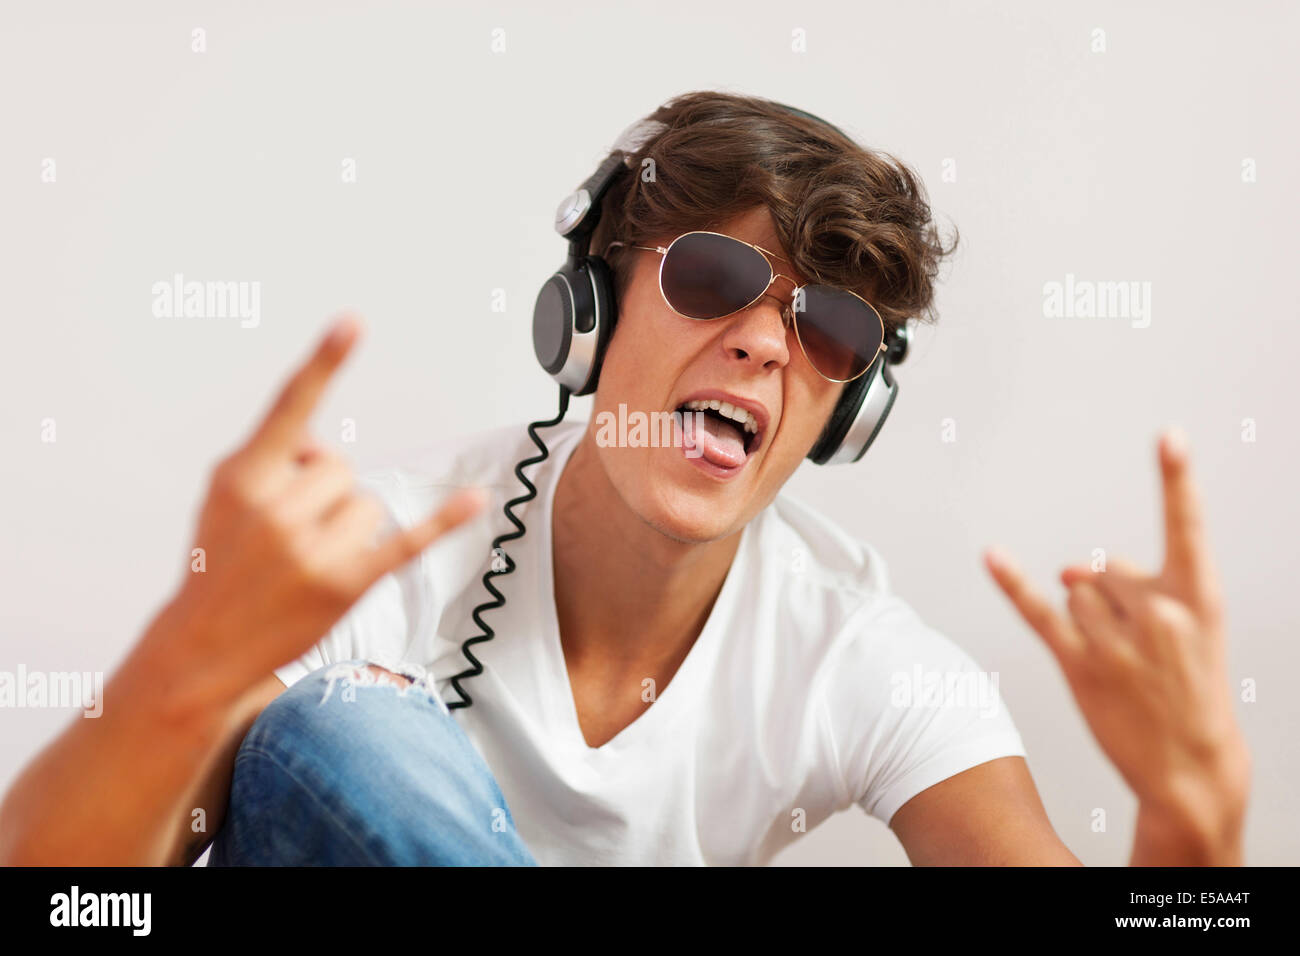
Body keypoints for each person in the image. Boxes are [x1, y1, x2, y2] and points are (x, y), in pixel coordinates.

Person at [0, 92, 1250, 866]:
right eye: (712, 278)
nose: (764, 339)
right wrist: (185, 660)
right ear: (585, 315)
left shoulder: (858, 656)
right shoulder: (379, 549)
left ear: (848, 402)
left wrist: (1192, 821)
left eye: (828, 331)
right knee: (359, 736)